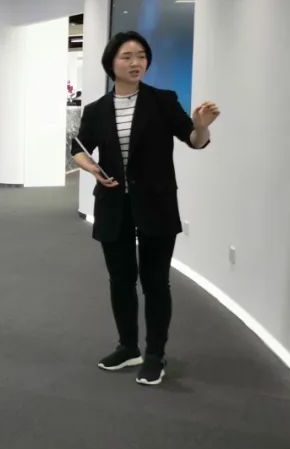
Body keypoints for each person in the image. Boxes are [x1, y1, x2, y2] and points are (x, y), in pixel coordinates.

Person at [72, 30, 220, 386]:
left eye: (141, 56)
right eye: (127, 56)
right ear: (111, 63)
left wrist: (201, 127)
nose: (135, 62)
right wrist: (92, 168)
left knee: (155, 281)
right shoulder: (96, 110)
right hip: (113, 205)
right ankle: (128, 347)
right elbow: (77, 148)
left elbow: (194, 140)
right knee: (121, 280)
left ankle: (155, 354)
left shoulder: (162, 101)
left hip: (156, 203)